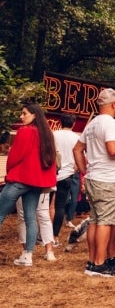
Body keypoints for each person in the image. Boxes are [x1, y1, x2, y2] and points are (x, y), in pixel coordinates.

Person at [73, 88, 115, 277]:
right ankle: (100, 264)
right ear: (113, 104)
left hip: (93, 178)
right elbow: (113, 149)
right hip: (108, 180)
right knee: (105, 222)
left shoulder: (92, 124)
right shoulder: (110, 124)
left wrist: (85, 171)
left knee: (95, 220)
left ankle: (92, 262)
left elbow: (77, 149)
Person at [0, 103, 57, 267]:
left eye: (24, 113)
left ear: (34, 115)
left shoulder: (25, 131)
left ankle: (27, 255)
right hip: (37, 183)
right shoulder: (46, 134)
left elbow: (14, 156)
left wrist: (9, 172)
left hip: (20, 179)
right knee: (31, 218)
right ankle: (27, 256)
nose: (21, 116)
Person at [52, 113, 79, 246]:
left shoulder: (54, 134)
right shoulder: (76, 138)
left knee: (44, 207)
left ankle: (43, 235)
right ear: (73, 123)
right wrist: (72, 171)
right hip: (67, 175)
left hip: (51, 174)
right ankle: (55, 237)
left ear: (60, 122)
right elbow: (79, 159)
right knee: (60, 207)